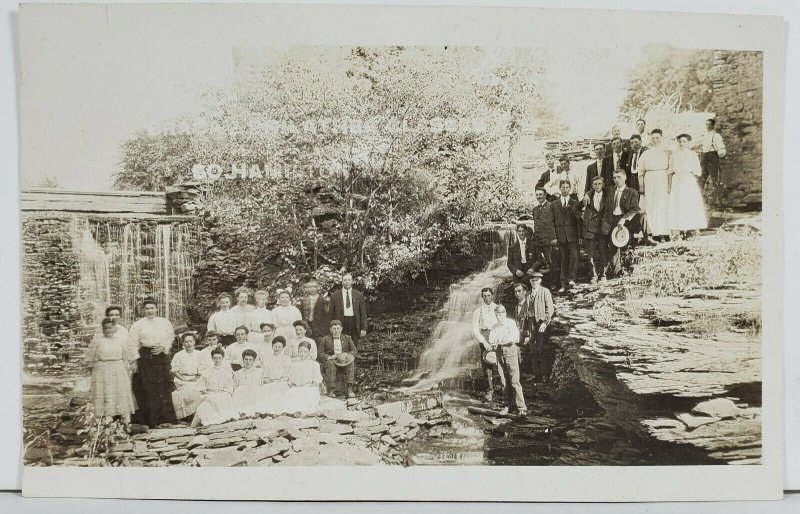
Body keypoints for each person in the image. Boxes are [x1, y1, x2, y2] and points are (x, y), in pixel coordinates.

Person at [128, 297, 177, 427]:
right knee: (147, 388)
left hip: (160, 357)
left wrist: (163, 347)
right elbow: (132, 343)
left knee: (162, 387)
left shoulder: (164, 322)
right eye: (147, 308)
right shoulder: (138, 325)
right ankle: (150, 420)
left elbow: (170, 337)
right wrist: (134, 361)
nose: (150, 311)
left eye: (152, 308)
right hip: (145, 357)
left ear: (156, 309)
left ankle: (164, 418)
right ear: (143, 310)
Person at [87, 318, 135, 422]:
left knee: (119, 391)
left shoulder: (121, 341)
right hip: (102, 369)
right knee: (104, 392)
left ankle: (125, 419)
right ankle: (106, 418)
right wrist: (92, 373)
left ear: (115, 328)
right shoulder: (96, 341)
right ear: (103, 329)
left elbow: (126, 357)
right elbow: (90, 359)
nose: (108, 330)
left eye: (110, 328)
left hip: (117, 368)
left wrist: (127, 369)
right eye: (106, 328)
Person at [489, 305, 526, 417]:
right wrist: (496, 342)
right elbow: (492, 339)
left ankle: (522, 408)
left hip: (510, 349)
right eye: (497, 315)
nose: (499, 316)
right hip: (499, 351)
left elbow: (515, 338)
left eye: (501, 314)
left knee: (514, 380)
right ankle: (507, 405)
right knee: (503, 380)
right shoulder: (494, 326)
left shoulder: (510, 323)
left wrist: (504, 339)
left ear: (505, 313)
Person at [603, 169, 641, 277]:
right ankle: (617, 272)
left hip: (626, 221)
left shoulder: (632, 192)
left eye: (619, 177)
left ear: (625, 177)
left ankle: (629, 269)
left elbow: (635, 208)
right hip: (612, 220)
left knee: (627, 244)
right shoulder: (610, 190)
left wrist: (624, 219)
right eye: (614, 178)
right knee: (614, 245)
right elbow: (596, 189)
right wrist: (588, 194)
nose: (616, 180)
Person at [668, 134, 708, 235]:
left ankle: (691, 229)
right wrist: (670, 185)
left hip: (688, 181)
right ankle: (680, 229)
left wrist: (690, 183)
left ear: (688, 143)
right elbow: (670, 171)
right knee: (678, 205)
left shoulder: (692, 155)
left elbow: (697, 172)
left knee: (689, 204)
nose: (681, 143)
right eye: (680, 141)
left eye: (684, 141)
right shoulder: (674, 155)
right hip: (677, 181)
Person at [471, 287, 505, 402]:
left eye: (489, 295)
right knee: (487, 366)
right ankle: (489, 391)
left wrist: (498, 340)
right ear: (482, 297)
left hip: (497, 335)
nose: (487, 298)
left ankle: (505, 390)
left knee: (501, 362)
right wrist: (484, 343)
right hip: (484, 336)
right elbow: (476, 329)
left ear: (492, 296)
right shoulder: (478, 311)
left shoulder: (498, 308)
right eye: (484, 296)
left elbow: (503, 324)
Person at [637, 129, 672, 242]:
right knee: (651, 206)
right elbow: (640, 172)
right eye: (653, 138)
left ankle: (664, 233)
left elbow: (671, 170)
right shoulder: (646, 153)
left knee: (663, 205)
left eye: (657, 137)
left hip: (663, 178)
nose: (655, 140)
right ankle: (653, 233)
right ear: (650, 139)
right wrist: (642, 188)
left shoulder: (667, 152)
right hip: (650, 180)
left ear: (661, 138)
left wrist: (670, 185)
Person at [191, 347, 236, 427]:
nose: (217, 360)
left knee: (223, 398)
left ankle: (223, 419)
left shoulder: (226, 372)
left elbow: (229, 387)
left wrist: (222, 392)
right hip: (209, 394)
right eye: (215, 358)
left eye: (219, 358)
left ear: (222, 358)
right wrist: (207, 391)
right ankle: (212, 420)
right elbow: (200, 386)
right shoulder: (207, 372)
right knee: (209, 402)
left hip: (222, 393)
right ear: (212, 358)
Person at [553, 180, 581, 293]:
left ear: (570, 189)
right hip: (560, 236)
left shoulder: (575, 202)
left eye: (567, 187)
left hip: (572, 234)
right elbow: (552, 221)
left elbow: (579, 221)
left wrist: (580, 236)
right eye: (563, 187)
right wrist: (554, 237)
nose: (565, 190)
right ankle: (563, 282)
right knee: (563, 259)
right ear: (559, 188)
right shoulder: (554, 204)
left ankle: (572, 279)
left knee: (575, 256)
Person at [317, 320, 358, 398]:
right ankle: (331, 390)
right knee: (331, 364)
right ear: (330, 329)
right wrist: (329, 357)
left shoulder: (347, 338)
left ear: (341, 329)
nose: (336, 331)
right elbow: (320, 353)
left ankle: (349, 389)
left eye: (338, 328)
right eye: (334, 328)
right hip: (332, 359)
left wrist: (347, 356)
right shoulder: (325, 339)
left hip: (344, 360)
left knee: (351, 363)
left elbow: (354, 351)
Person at [282, 341, 324, 414]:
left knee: (306, 395)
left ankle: (301, 411)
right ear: (298, 352)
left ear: (309, 352)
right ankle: (291, 411)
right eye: (300, 351)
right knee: (290, 395)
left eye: (305, 352)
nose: (302, 354)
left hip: (309, 387)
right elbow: (290, 380)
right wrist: (293, 385)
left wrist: (310, 385)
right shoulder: (294, 365)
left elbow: (317, 380)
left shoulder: (314, 364)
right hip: (297, 387)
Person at [170, 332, 204, 420]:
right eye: (186, 342)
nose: (188, 344)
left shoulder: (199, 354)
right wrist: (184, 379)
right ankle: (186, 416)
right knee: (189, 389)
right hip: (181, 379)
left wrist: (196, 378)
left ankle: (197, 414)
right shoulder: (178, 355)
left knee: (199, 389)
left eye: (190, 341)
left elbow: (202, 368)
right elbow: (174, 370)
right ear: (183, 343)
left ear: (194, 342)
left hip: (196, 378)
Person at [582, 175, 610, 282]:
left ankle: (603, 274)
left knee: (603, 252)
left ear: (603, 185)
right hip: (591, 229)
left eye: (599, 184)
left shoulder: (608, 195)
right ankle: (593, 275)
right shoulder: (588, 197)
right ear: (592, 186)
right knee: (591, 254)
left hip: (603, 229)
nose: (597, 186)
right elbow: (577, 208)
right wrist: (583, 217)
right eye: (595, 184)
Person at [527, 273, 554, 381]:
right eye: (532, 280)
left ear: (540, 281)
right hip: (531, 322)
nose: (534, 282)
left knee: (541, 347)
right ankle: (536, 374)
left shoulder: (545, 291)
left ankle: (544, 375)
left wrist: (545, 322)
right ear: (530, 281)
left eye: (536, 280)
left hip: (541, 322)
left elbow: (550, 309)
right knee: (532, 347)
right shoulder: (528, 294)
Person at [531, 188, 559, 289]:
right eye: (537, 195)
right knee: (538, 262)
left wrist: (555, 237)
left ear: (545, 195)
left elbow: (555, 223)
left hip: (549, 239)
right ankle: (538, 284)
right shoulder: (535, 209)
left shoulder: (551, 206)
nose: (539, 197)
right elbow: (536, 225)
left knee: (552, 263)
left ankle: (554, 284)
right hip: (538, 240)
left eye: (541, 194)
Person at [330, 273, 368, 347]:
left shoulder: (359, 295)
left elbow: (363, 313)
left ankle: (353, 357)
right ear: (342, 282)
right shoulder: (335, 295)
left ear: (352, 281)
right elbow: (331, 313)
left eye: (349, 280)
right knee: (341, 343)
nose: (347, 281)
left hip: (354, 322)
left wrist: (363, 328)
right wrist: (332, 327)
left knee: (353, 344)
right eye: (345, 280)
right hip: (341, 321)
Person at [696, 118, 726, 205]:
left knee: (715, 180)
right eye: (707, 124)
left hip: (712, 159)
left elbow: (721, 149)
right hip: (704, 159)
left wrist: (719, 156)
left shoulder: (716, 136)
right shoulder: (704, 136)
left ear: (713, 125)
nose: (708, 126)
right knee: (701, 179)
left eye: (710, 124)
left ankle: (717, 201)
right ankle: (699, 200)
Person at [258, 336, 292, 413]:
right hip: (269, 382)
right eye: (275, 346)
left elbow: (286, 375)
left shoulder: (287, 359)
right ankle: (266, 411)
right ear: (272, 346)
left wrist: (278, 381)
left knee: (278, 389)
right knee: (263, 390)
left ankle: (277, 411)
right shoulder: (266, 359)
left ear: (283, 348)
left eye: (279, 347)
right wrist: (268, 380)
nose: (277, 349)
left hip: (281, 383)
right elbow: (265, 374)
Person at [96, 305, 134, 372]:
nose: (114, 317)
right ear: (107, 317)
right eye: (111, 315)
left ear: (120, 316)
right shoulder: (100, 331)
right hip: (105, 364)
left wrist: (129, 363)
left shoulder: (124, 331)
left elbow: (127, 348)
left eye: (117, 315)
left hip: (120, 364)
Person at [231, 349, 264, 418]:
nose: (248, 362)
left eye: (250, 360)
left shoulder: (258, 372)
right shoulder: (238, 373)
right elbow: (234, 386)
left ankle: (253, 412)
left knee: (254, 389)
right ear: (243, 360)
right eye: (246, 359)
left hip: (253, 393)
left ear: (254, 361)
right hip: (241, 394)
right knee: (239, 390)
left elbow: (260, 385)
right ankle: (242, 412)